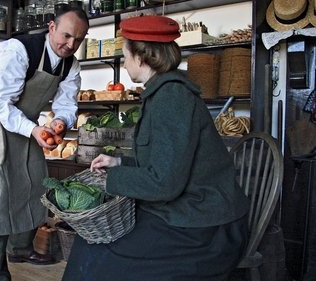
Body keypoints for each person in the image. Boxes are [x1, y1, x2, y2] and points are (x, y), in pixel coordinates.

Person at [62, 15, 250, 281]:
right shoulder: (161, 93)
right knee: (92, 245)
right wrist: (119, 164)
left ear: (141, 57)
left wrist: (111, 180)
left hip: (206, 229)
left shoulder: (171, 98)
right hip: (188, 216)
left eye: (125, 55)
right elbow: (164, 164)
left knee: (100, 254)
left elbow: (165, 184)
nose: (125, 63)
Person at [0, 6, 89, 281]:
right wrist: (34, 130)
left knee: (34, 181)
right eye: (67, 36)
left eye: (79, 40)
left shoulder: (71, 64)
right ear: (51, 28)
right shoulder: (18, 49)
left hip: (28, 121)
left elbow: (67, 104)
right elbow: (1, 103)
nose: (71, 45)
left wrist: (59, 122)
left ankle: (20, 248)